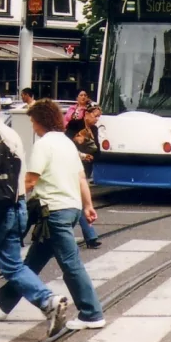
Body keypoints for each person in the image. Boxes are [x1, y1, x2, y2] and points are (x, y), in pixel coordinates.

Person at [0, 100, 106, 330]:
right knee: (31, 263)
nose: (33, 126)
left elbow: (30, 180)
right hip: (71, 208)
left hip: (54, 212)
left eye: (34, 122)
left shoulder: (44, 145)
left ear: (41, 121)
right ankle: (2, 304)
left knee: (71, 264)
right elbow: (81, 178)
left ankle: (92, 314)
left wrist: (13, 197)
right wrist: (87, 206)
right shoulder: (66, 143)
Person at [0, 91, 68, 335]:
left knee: (13, 265)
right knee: (13, 266)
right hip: (15, 206)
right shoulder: (11, 132)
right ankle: (49, 302)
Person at [71, 105, 102, 249]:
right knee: (80, 203)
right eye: (95, 116)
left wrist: (92, 156)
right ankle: (90, 237)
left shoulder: (94, 130)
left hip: (85, 169)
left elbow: (98, 150)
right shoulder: (75, 124)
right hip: (73, 167)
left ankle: (90, 237)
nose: (96, 119)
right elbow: (68, 144)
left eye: (98, 117)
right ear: (87, 114)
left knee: (79, 203)